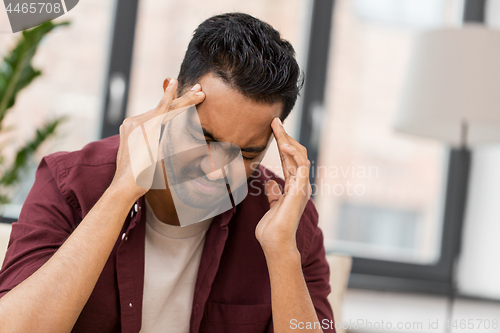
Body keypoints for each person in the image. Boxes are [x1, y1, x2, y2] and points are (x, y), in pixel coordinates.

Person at [0, 12, 335, 333]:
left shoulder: (286, 218)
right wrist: (120, 193)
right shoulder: (71, 181)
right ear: (171, 98)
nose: (217, 170)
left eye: (246, 153)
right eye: (204, 138)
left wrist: (281, 253)